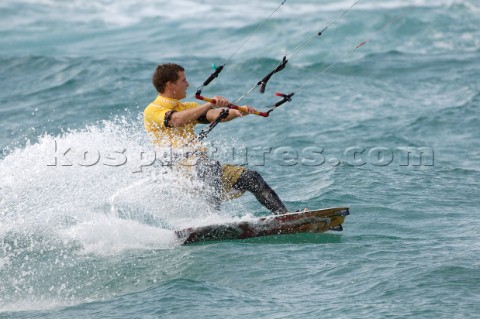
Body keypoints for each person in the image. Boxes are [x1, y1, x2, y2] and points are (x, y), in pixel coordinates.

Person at [144, 63, 288, 214]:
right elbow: (176, 120)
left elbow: (215, 115)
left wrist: (238, 111)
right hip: (176, 170)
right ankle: (213, 220)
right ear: (170, 84)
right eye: (183, 80)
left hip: (200, 167)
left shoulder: (188, 107)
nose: (188, 84)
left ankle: (286, 217)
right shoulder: (153, 110)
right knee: (209, 167)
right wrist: (206, 105)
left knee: (252, 177)